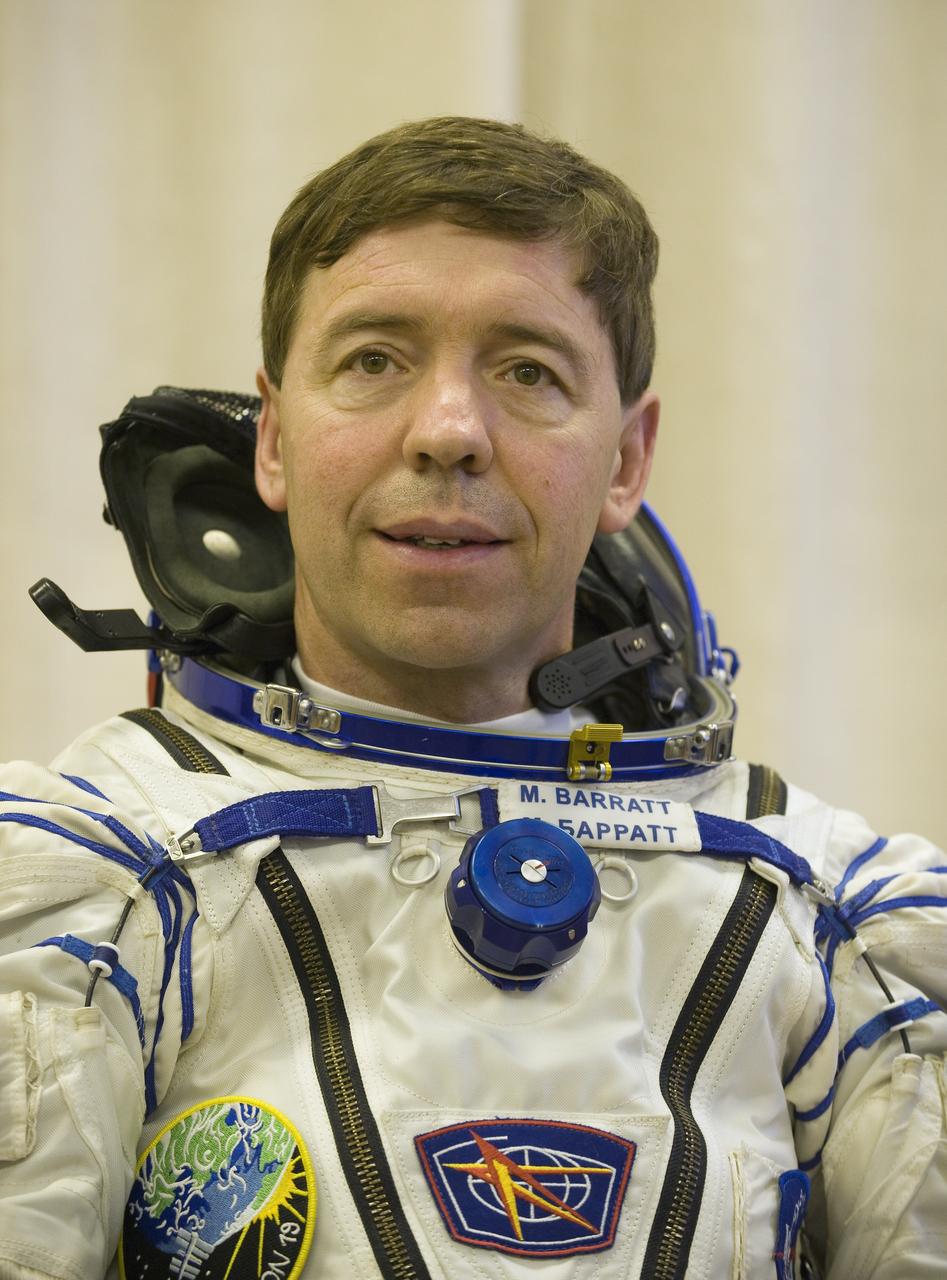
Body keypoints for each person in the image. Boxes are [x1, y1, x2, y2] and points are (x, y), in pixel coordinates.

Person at [0, 117, 944, 1280]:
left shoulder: (837, 921)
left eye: (526, 371)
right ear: (276, 441)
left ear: (627, 460)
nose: (448, 431)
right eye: (373, 360)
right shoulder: (85, 883)